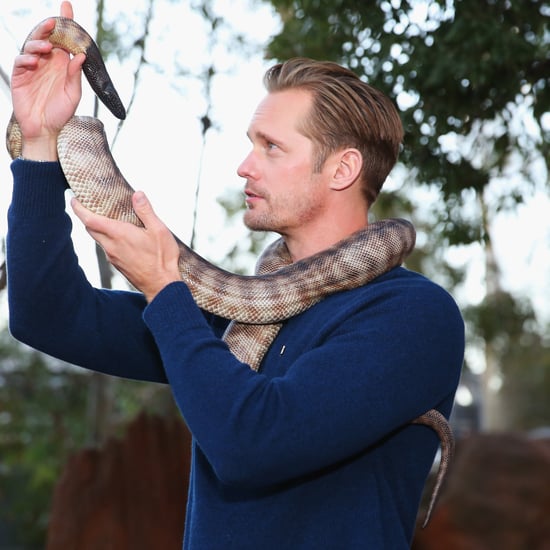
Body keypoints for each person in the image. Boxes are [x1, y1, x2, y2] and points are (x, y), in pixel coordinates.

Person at [6, 2, 464, 548]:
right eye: (251, 144)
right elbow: (46, 316)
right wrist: (38, 143)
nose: (244, 166)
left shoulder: (413, 316)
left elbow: (252, 445)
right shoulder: (234, 312)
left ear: (343, 169)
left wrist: (164, 289)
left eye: (271, 147)